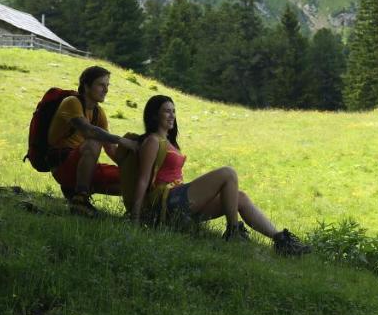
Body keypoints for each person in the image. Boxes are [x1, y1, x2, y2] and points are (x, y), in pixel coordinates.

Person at [126, 94, 310, 256]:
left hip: (179, 204)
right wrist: (136, 216)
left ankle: (281, 241)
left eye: (173, 111)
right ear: (154, 115)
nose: (172, 115)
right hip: (166, 204)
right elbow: (143, 179)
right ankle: (233, 232)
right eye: (167, 111)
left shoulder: (169, 142)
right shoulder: (152, 141)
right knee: (228, 173)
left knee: (240, 197)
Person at [49, 65, 137, 217]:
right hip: (62, 166)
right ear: (86, 85)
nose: (106, 90)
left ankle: (137, 213)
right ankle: (80, 199)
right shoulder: (72, 102)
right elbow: (88, 130)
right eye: (101, 85)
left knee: (133, 181)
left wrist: (134, 168)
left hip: (83, 169)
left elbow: (110, 149)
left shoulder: (99, 113)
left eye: (107, 85)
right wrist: (122, 140)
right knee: (94, 141)